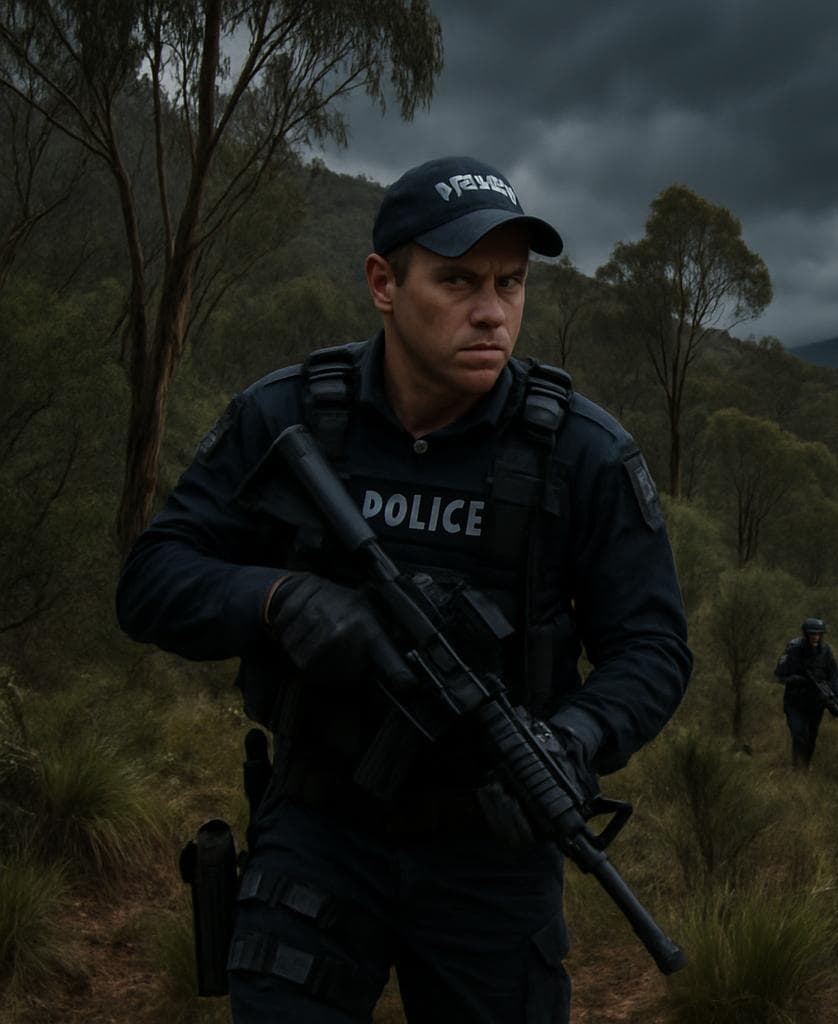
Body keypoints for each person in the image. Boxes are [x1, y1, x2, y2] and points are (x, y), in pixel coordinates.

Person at [116, 155, 692, 1022]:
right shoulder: (288, 416)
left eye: (510, 282)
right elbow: (151, 579)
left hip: (492, 842)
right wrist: (277, 601)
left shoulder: (582, 453)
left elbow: (652, 646)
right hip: (320, 822)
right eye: (458, 281)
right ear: (384, 284)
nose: (492, 311)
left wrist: (574, 739)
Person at [773, 617, 838, 769]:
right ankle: (797, 769)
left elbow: (834, 675)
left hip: (816, 703)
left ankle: (805, 768)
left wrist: (835, 697)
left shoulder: (826, 651)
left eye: (818, 634)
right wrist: (795, 679)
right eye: (812, 634)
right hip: (795, 702)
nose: (815, 637)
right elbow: (779, 674)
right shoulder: (793, 649)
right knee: (799, 734)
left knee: (811, 737)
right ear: (806, 633)